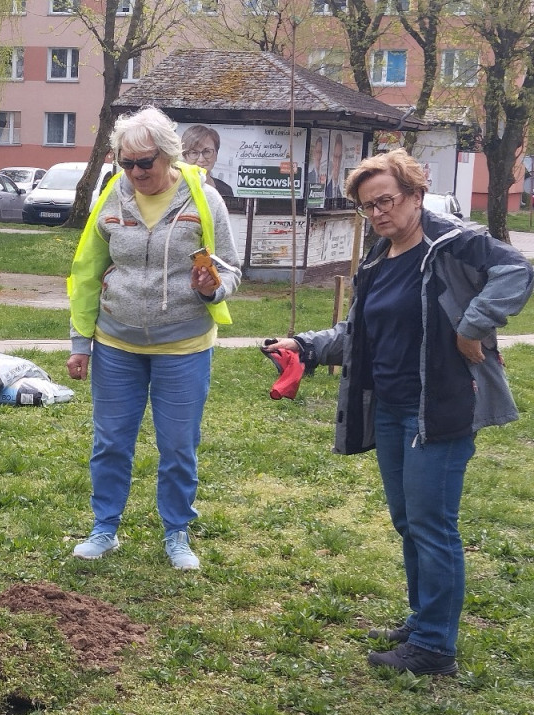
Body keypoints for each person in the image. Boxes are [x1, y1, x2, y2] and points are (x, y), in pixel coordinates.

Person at [264, 149, 533, 675]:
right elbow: (356, 332)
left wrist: (471, 325)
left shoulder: (453, 243)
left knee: (434, 525)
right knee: (409, 522)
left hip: (437, 407)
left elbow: (518, 270)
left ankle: (434, 647)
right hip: (387, 408)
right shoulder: (378, 258)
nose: (377, 214)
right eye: (367, 207)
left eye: (385, 201)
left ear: (415, 195)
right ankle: (423, 618)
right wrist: (305, 344)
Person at [67, 106, 241, 570]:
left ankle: (177, 532)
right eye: (126, 163)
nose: (136, 172)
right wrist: (80, 342)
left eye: (145, 162)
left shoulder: (204, 199)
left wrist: (214, 287)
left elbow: (229, 267)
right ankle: (105, 528)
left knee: (178, 446)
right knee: (110, 442)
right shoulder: (110, 197)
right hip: (116, 344)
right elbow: (87, 272)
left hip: (183, 346)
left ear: (168, 156)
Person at [181, 124, 234, 197]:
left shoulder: (226, 190)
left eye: (207, 152)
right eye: (194, 153)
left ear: (216, 155)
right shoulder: (174, 188)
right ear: (185, 156)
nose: (201, 159)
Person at [325, 133, 344, 199]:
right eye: (336, 157)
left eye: (340, 157)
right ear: (331, 158)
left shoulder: (342, 189)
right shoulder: (326, 187)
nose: (338, 162)